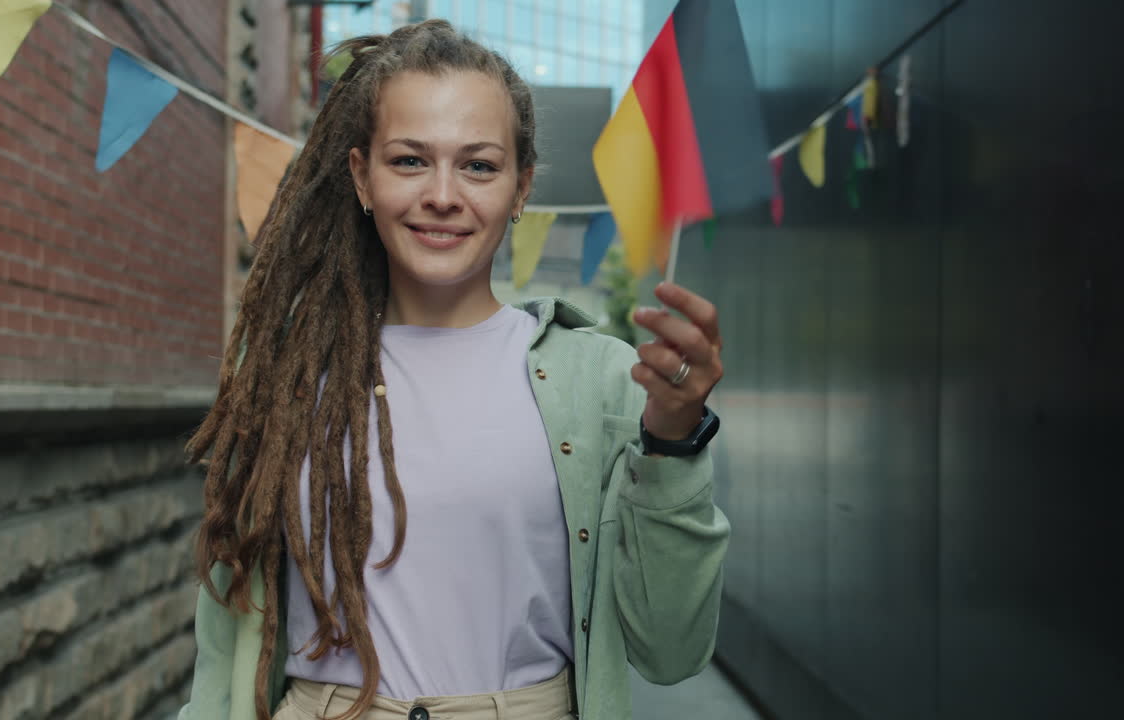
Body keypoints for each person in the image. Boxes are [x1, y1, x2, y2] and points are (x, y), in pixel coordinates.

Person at [178, 19, 729, 720]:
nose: (443, 194)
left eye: (479, 166)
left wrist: (674, 445)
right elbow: (224, 645)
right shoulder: (286, 372)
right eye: (410, 160)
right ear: (362, 177)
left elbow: (671, 651)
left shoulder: (602, 381)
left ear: (521, 188)